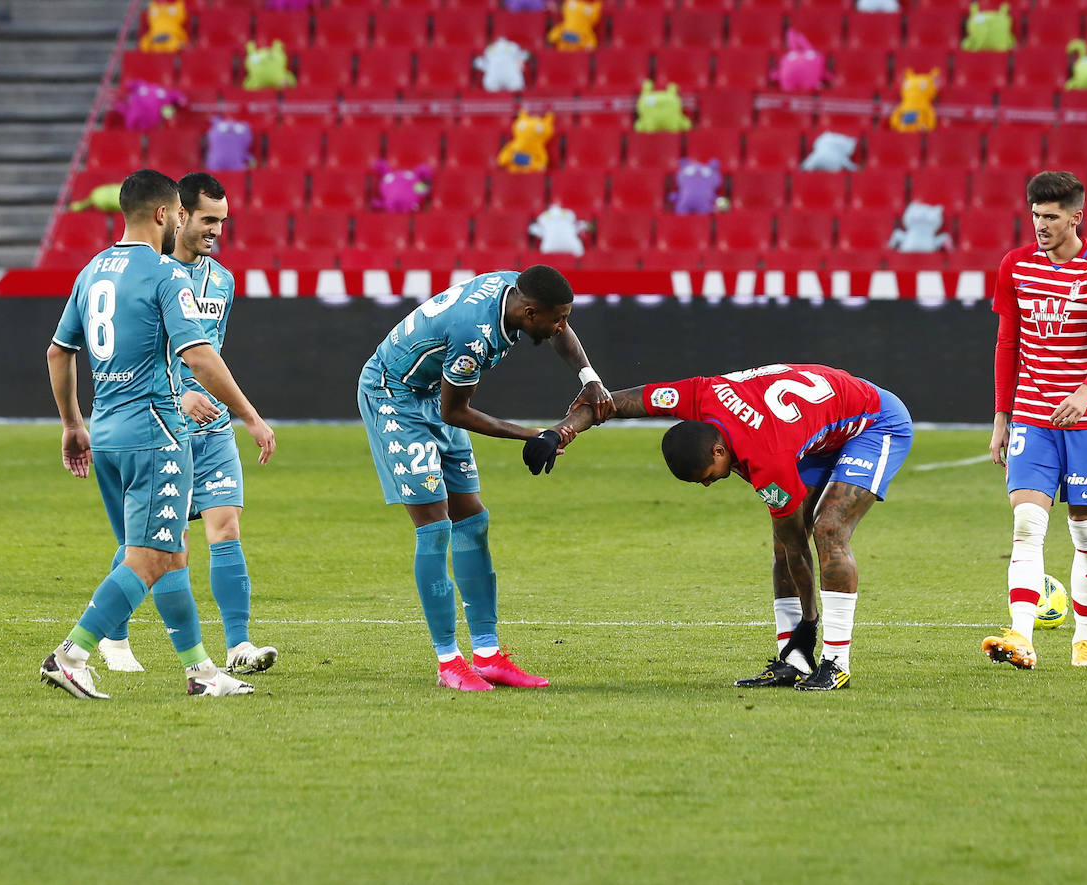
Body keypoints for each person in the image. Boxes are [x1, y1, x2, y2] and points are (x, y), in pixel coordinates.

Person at [40, 168, 277, 700]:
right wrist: (249, 414)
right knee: (148, 557)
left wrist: (73, 424)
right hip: (155, 431)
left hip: (105, 432)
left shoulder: (93, 270)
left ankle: (201, 671)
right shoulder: (166, 275)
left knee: (168, 553)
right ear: (166, 214)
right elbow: (197, 354)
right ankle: (72, 654)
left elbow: (59, 351)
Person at [543, 363, 914, 691]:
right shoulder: (700, 395)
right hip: (815, 430)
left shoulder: (768, 459)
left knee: (827, 531)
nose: (707, 485)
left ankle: (835, 663)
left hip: (875, 423)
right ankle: (794, 660)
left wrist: (810, 620)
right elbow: (615, 403)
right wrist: (560, 432)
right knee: (782, 543)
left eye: (707, 477)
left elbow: (799, 545)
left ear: (719, 451)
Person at [357, 266, 613, 691]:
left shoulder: (518, 287)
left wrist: (590, 379)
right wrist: (535, 434)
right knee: (435, 524)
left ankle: (489, 657)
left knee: (472, 519)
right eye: (556, 319)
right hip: (393, 395)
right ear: (529, 313)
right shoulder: (473, 337)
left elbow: (559, 331)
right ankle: (448, 662)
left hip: (429, 392)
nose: (562, 327)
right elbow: (454, 412)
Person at [983, 171, 1087, 670]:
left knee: (1085, 532)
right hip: (1031, 416)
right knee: (1027, 523)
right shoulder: (1015, 266)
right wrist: (1002, 414)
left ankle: (1083, 638)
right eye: (1035, 216)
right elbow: (1008, 344)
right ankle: (1022, 638)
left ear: (1076, 217)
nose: (1040, 226)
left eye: (1051, 217)